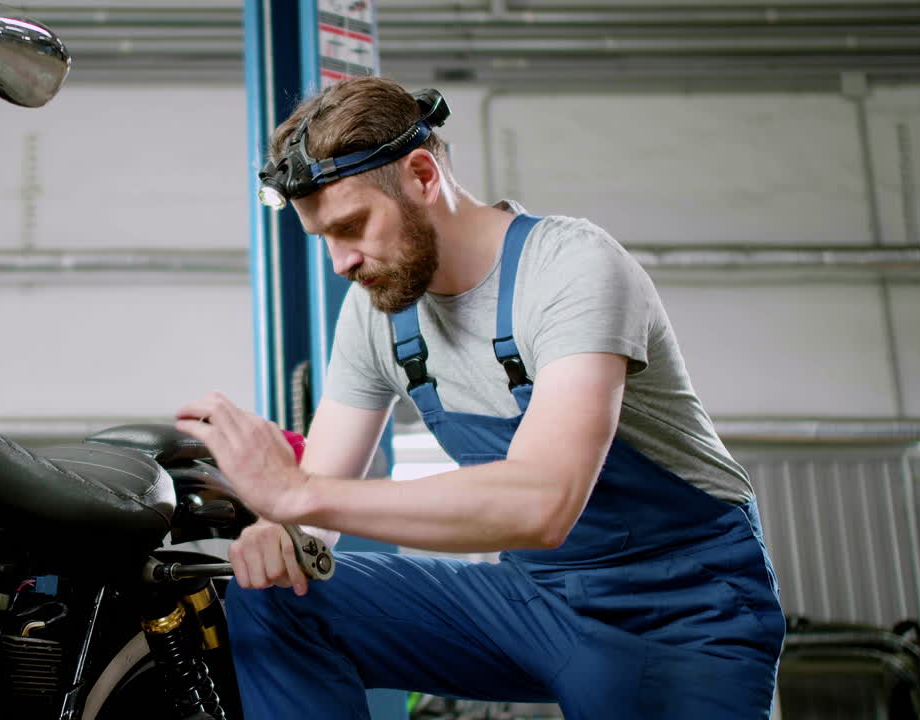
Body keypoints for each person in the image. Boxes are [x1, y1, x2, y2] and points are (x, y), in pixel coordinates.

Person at [175, 76, 785, 720]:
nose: (339, 263)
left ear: (421, 176)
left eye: (351, 226)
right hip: (539, 600)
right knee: (267, 596)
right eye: (322, 236)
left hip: (688, 615)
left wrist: (295, 494)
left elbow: (544, 504)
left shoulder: (572, 267)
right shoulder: (375, 312)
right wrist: (279, 532)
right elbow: (314, 502)